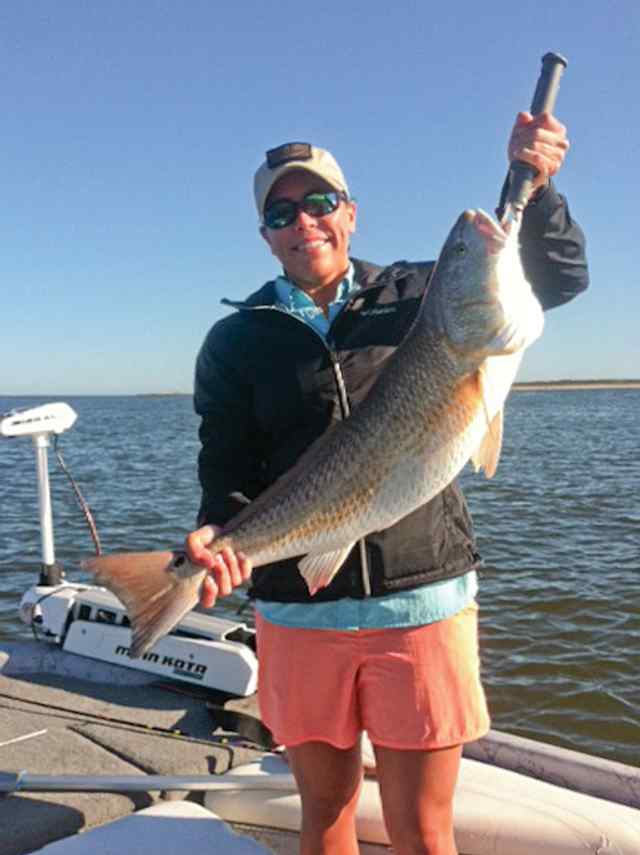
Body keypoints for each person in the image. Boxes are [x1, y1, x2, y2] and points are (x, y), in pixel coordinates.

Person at [186, 115, 588, 855]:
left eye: (320, 203)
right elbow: (227, 466)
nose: (303, 222)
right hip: (299, 611)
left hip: (420, 602)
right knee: (325, 814)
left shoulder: (418, 294)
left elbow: (558, 275)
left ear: (350, 212)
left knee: (426, 832)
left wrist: (538, 186)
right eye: (281, 213)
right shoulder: (236, 340)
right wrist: (219, 530)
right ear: (266, 235)